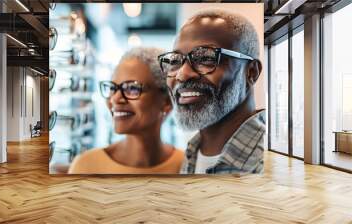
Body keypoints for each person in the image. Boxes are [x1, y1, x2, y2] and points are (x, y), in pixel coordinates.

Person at [158, 9, 265, 174]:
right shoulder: (192, 151)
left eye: (205, 58)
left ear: (251, 72)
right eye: (175, 61)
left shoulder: (266, 160)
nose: (182, 74)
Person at [69, 47, 184, 174]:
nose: (115, 99)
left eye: (132, 88)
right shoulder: (86, 166)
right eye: (113, 88)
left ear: (167, 101)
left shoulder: (188, 166)